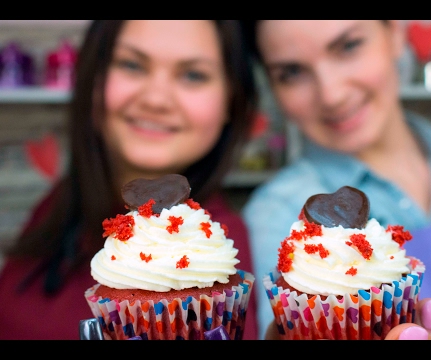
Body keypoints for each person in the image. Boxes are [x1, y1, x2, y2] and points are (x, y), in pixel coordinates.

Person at [0, 20, 259, 340]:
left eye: (194, 75)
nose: (156, 99)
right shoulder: (59, 202)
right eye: (132, 65)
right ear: (93, 78)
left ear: (231, 102)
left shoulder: (213, 255)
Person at [241, 20, 431, 340]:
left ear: (396, 33)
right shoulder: (276, 213)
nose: (331, 94)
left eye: (348, 46)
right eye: (291, 72)